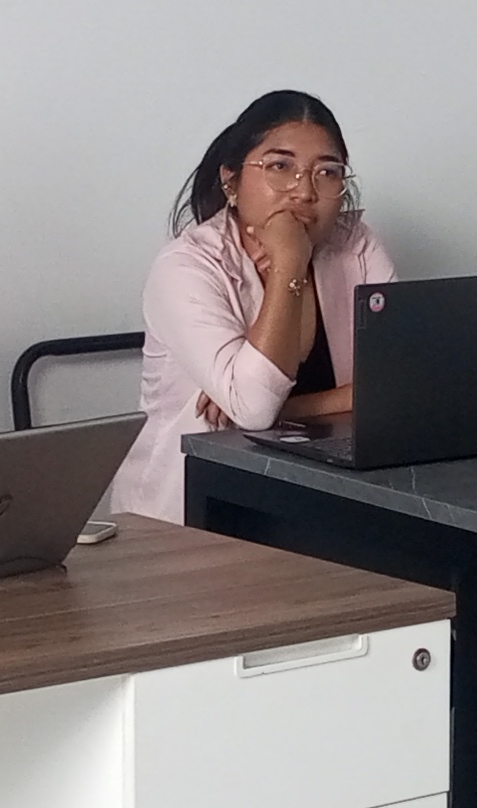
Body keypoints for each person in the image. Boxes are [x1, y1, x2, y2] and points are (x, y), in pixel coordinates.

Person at [100, 89, 396, 526]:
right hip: (195, 514)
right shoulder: (185, 266)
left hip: (323, 501)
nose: (304, 191)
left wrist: (289, 408)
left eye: (327, 172)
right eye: (280, 166)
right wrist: (290, 262)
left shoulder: (357, 246)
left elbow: (399, 388)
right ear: (231, 181)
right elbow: (255, 407)